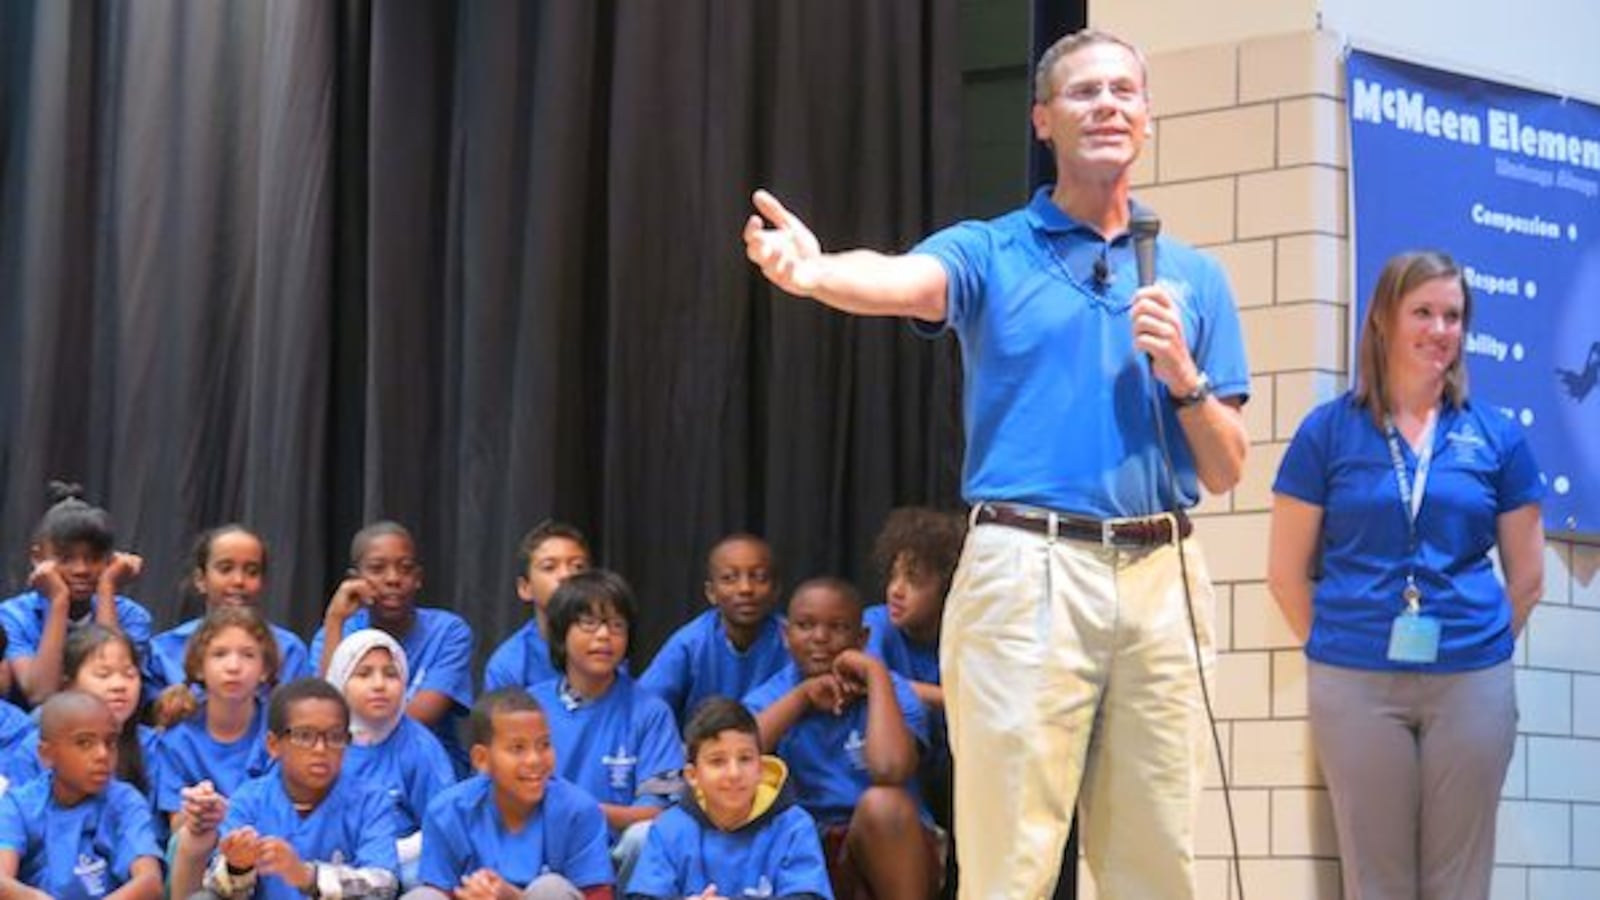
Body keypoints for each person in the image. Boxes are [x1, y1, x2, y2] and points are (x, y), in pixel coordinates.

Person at [743, 27, 1249, 899]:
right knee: (1011, 854)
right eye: (1084, 93)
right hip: (1029, 566)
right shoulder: (995, 249)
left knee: (1157, 858)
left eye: (1124, 92)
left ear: (1148, 119)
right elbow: (903, 279)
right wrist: (817, 273)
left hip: (1161, 568)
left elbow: (1230, 465)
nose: (1107, 107)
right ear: (1042, 120)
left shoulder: (1193, 280)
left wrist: (1185, 377)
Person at [1267, 250, 1545, 899]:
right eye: (1423, 312)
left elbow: (1527, 580)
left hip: (1470, 681)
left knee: (1460, 883)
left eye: (1453, 315)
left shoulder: (1496, 437)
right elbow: (1284, 574)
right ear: (1384, 321)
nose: (1440, 330)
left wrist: (1480, 645)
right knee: (1376, 881)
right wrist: (1342, 645)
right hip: (1354, 681)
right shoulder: (1327, 433)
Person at [744, 577, 937, 900]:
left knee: (883, 804)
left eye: (838, 627)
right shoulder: (769, 696)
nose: (820, 637)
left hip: (891, 845)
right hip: (805, 845)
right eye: (805, 625)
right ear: (785, 636)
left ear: (862, 639)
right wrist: (802, 698)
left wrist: (875, 675)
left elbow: (890, 769)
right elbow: (735, 759)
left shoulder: (893, 690)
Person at [172, 678, 404, 900]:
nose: (321, 749)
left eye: (335, 737)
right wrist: (238, 867)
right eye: (305, 736)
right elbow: (215, 886)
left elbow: (386, 884)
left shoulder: (370, 800)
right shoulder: (250, 800)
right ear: (273, 745)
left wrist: (308, 877)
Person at [528, 571, 683, 871]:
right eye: (589, 623)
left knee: (645, 837)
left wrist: (587, 812)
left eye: (616, 625)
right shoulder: (529, 707)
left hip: (616, 857)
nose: (604, 636)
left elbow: (660, 814)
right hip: (542, 852)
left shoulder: (650, 712)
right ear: (561, 633)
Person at [406, 688, 614, 900]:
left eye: (544, 745)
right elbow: (440, 892)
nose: (535, 760)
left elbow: (598, 896)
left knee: (550, 889)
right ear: (481, 759)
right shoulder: (448, 812)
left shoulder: (578, 810)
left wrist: (513, 897)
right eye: (518, 748)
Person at [625, 696, 832, 900]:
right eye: (717, 761)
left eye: (745, 759)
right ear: (692, 776)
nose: (734, 773)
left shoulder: (793, 826)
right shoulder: (669, 829)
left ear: (761, 768)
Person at [312, 521, 476, 774]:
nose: (393, 579)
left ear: (418, 578)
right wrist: (335, 619)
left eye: (405, 569)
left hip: (426, 770)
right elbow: (325, 712)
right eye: (378, 569)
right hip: (353, 767)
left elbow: (420, 717)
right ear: (355, 580)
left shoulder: (448, 632)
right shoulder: (335, 632)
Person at [0, 482, 152, 707]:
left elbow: (106, 692)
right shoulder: (12, 616)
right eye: (65, 558)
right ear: (37, 558)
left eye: (94, 558)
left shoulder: (132, 616)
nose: (81, 570)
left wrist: (107, 587)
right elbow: (41, 694)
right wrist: (58, 601)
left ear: (110, 559)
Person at [324, 629, 457, 887]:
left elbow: (444, 824)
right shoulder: (323, 741)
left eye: (390, 673)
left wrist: (391, 854)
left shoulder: (420, 746)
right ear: (340, 682)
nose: (379, 685)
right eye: (363, 674)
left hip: (401, 867)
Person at [0, 691, 163, 899]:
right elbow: (2, 882)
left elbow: (150, 882)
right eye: (84, 743)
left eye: (110, 742)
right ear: (46, 755)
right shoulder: (19, 805)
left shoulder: (124, 802)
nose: (102, 754)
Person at [145, 525, 312, 701]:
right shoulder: (163, 651)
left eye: (252, 572)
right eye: (225, 569)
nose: (239, 581)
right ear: (201, 579)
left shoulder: (289, 650)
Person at [151, 605, 279, 834]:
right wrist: (198, 814)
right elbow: (177, 830)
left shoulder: (279, 730)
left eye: (248, 655)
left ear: (265, 670)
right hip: (202, 856)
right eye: (220, 654)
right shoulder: (177, 740)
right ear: (199, 667)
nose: (233, 667)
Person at [638, 534, 789, 726]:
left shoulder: (792, 641)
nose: (745, 588)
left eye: (759, 577)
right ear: (711, 592)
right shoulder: (690, 644)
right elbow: (643, 708)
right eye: (729, 578)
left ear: (775, 590)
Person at [9, 625, 159, 807]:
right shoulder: (35, 748)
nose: (119, 685)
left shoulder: (154, 746)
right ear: (68, 685)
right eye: (103, 675)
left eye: (129, 674)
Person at [484, 521, 594, 692]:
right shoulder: (511, 664)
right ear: (525, 588)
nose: (566, 575)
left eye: (577, 566)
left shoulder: (606, 642)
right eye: (549, 567)